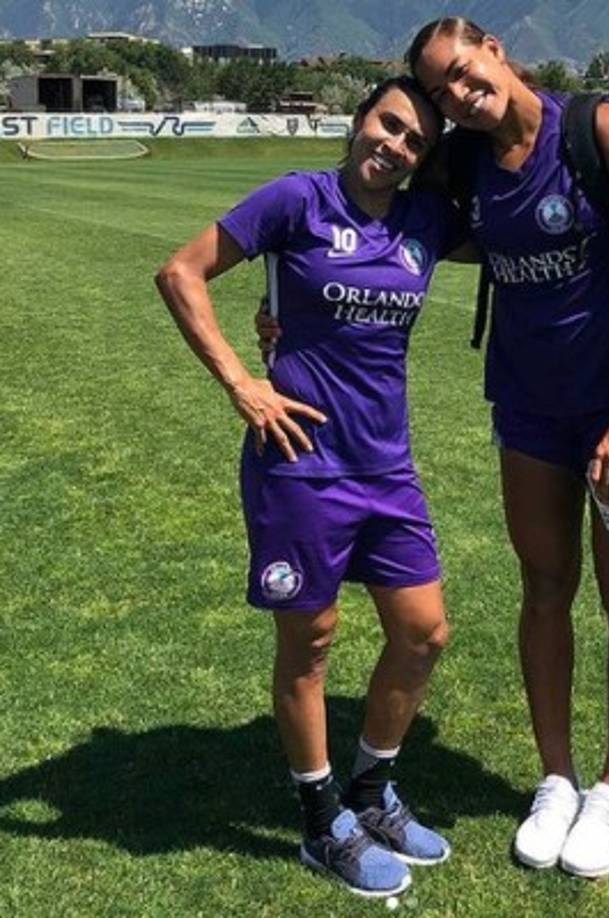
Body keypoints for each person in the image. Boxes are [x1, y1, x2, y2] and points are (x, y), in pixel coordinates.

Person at [155, 76, 469, 898]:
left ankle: (371, 790)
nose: (394, 145)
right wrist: (242, 384)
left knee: (424, 632)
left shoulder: (425, 221)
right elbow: (181, 273)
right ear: (360, 119)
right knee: (312, 641)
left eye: (414, 142)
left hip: (387, 467)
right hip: (300, 465)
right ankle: (319, 818)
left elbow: (508, 209)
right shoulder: (297, 200)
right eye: (388, 124)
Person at [405, 17, 609, 879]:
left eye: (461, 71)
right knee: (543, 591)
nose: (458, 94)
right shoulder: (467, 165)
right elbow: (401, 229)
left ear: (493, 48)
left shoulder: (602, 133)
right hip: (528, 414)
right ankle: (557, 780)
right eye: (441, 91)